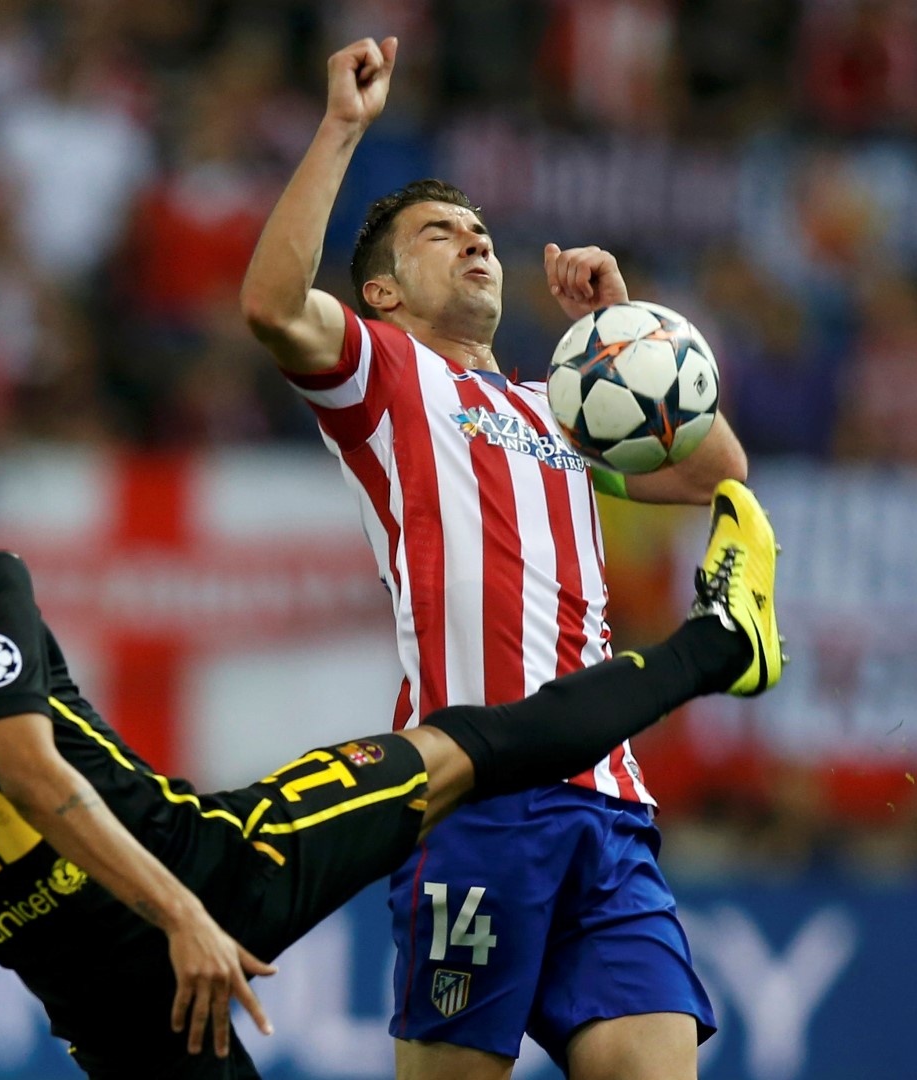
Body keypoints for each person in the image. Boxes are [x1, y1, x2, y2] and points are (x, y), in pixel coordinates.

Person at [0, 339, 780, 1078]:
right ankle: (720, 644)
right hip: (205, 875)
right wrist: (182, 915)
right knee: (474, 741)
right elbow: (29, 770)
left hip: (98, 1005)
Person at [240, 36, 764, 1080]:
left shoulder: (561, 411)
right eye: (439, 234)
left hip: (608, 803)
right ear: (383, 293)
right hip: (472, 799)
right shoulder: (385, 378)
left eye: (479, 230)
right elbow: (271, 305)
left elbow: (717, 473)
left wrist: (620, 331)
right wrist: (342, 127)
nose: (475, 241)